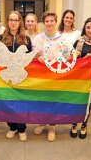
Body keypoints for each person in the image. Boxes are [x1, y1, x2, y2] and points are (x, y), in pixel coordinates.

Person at [32, 11, 72, 142]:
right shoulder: (38, 39)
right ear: (44, 23)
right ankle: (42, 124)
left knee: (53, 100)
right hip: (41, 75)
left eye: (52, 21)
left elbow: (67, 55)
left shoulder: (62, 39)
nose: (49, 23)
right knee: (41, 100)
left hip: (56, 74)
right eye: (47, 21)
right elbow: (33, 54)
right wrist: (39, 58)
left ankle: (52, 127)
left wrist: (72, 55)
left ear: (56, 22)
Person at [0, 11, 32, 142]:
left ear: (20, 22)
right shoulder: (0, 38)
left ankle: (22, 128)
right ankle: (12, 127)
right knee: (8, 103)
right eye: (11, 20)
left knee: (21, 103)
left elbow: (30, 60)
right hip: (5, 78)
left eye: (16, 20)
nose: (13, 23)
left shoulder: (26, 39)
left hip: (20, 78)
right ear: (7, 21)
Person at [70, 17, 91, 139]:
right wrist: (76, 55)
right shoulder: (78, 42)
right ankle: (74, 124)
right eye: (88, 27)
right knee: (77, 103)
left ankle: (84, 125)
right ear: (85, 28)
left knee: (89, 105)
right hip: (79, 80)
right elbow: (71, 60)